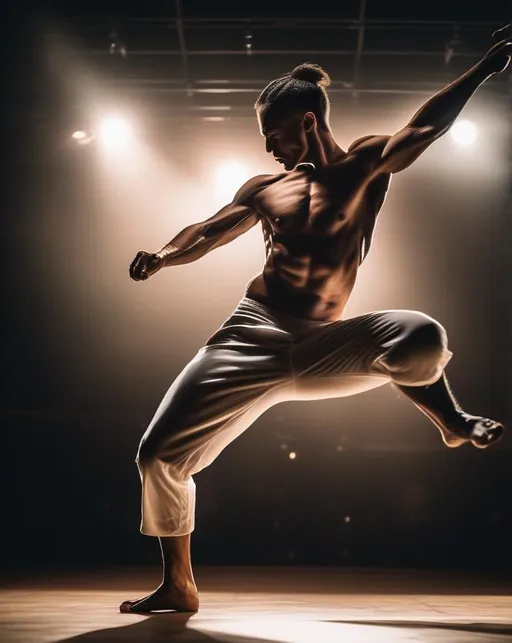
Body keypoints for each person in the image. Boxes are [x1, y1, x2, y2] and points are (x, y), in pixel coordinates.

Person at [121, 25, 510, 614]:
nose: (268, 148)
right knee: (157, 454)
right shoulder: (265, 189)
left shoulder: (363, 167)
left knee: (421, 333)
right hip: (253, 334)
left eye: (271, 134)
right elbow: (206, 230)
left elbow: (426, 125)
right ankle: (179, 584)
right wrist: (164, 256)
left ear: (306, 120)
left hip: (326, 343)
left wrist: (484, 68)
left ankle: (451, 420)